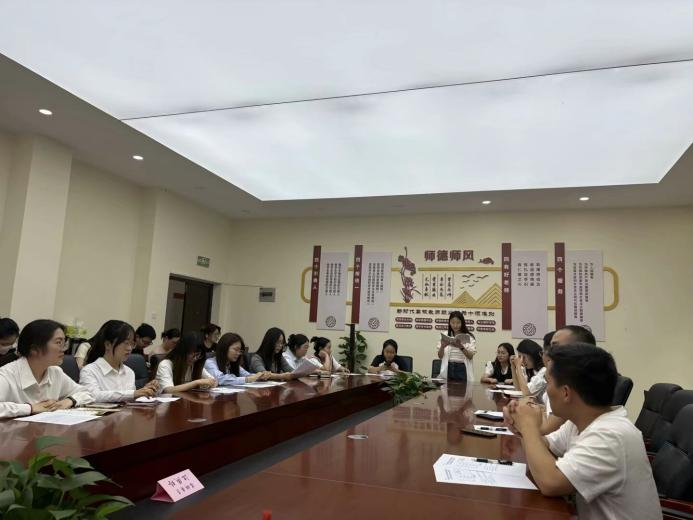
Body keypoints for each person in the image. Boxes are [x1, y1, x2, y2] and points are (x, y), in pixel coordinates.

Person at [505, 343, 661, 520]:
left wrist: (528, 426)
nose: (546, 391)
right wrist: (520, 425)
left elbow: (550, 483)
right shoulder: (581, 421)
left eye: (548, 382)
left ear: (566, 393)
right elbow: (545, 446)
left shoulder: (610, 434)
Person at [0, 319, 94, 418]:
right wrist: (30, 408)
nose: (64, 349)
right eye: (58, 342)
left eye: (64, 343)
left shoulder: (55, 372)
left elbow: (87, 393)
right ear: (34, 348)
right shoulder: (7, 375)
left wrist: (70, 401)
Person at [80, 320, 158, 401]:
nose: (129, 348)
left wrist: (144, 391)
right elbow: (92, 396)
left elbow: (130, 401)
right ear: (108, 344)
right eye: (126, 343)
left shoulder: (129, 372)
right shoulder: (89, 371)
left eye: (132, 344)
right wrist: (133, 394)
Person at [205, 332, 270, 385]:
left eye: (240, 351)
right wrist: (248, 379)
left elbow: (247, 375)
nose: (238, 353)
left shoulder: (232, 364)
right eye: (236, 349)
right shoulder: (210, 362)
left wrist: (260, 376)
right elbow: (220, 379)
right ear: (224, 348)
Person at [436, 311, 477, 381]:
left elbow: (470, 356)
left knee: (462, 388)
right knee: (448, 387)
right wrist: (442, 347)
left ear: (462, 323)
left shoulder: (469, 337)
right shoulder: (445, 335)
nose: (455, 325)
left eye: (458, 323)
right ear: (449, 323)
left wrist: (461, 347)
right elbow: (440, 356)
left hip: (462, 368)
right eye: (453, 322)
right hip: (448, 367)